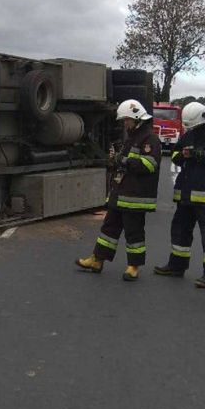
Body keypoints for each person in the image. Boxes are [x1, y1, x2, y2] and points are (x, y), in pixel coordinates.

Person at [154, 102, 205, 288]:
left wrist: (203, 155)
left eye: (194, 125)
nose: (191, 129)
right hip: (186, 195)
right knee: (180, 232)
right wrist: (183, 155)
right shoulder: (189, 133)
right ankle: (177, 266)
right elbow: (174, 156)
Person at [76, 99, 161, 281]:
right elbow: (126, 161)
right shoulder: (132, 137)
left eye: (127, 120)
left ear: (137, 118)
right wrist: (116, 160)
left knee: (134, 233)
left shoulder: (149, 139)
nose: (125, 123)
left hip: (136, 196)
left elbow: (149, 164)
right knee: (109, 228)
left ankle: (133, 266)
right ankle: (97, 259)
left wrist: (123, 161)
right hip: (121, 193)